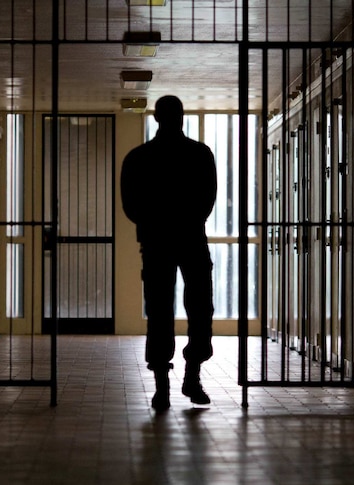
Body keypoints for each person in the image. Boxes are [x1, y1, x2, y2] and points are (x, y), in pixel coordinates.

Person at [120, 95, 217, 412]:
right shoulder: (200, 154)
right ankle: (192, 376)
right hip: (191, 237)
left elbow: (130, 204)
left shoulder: (139, 157)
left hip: (156, 240)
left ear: (156, 118)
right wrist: (187, 220)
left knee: (159, 311)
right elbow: (207, 198)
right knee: (200, 307)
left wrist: (154, 222)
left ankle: (162, 387)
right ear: (182, 116)